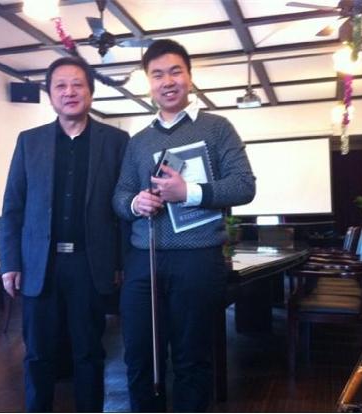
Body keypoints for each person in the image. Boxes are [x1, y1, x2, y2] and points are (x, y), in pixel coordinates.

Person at [112, 39, 256, 412]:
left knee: (193, 358)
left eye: (175, 71)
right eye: (157, 74)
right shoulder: (138, 141)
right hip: (144, 261)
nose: (167, 81)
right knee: (140, 356)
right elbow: (120, 194)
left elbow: (244, 185)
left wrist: (187, 192)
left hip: (198, 259)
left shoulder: (218, 128)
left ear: (189, 77)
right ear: (149, 82)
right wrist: (135, 203)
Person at [0, 56, 129, 412]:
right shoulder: (30, 142)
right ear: (50, 94)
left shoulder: (116, 141)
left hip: (90, 264)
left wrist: (120, 262)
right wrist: (10, 263)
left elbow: (123, 208)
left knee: (89, 352)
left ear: (91, 91)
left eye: (77, 84)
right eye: (60, 85)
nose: (69, 92)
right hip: (40, 265)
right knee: (38, 353)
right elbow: (12, 207)